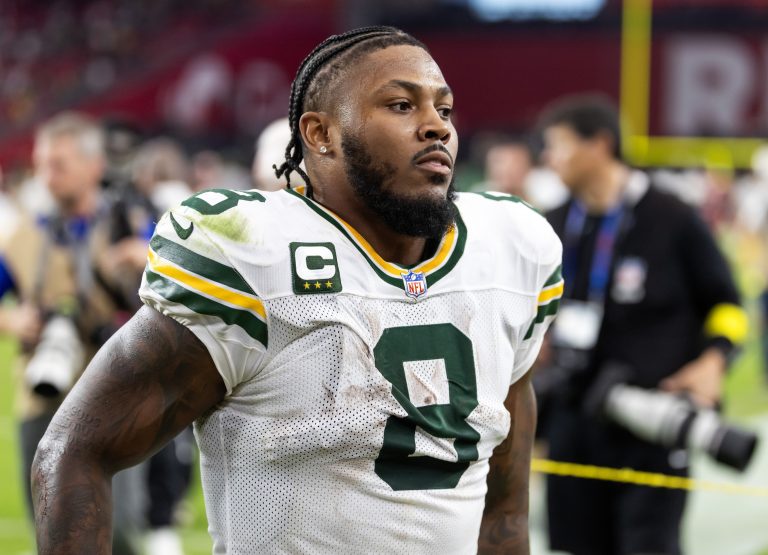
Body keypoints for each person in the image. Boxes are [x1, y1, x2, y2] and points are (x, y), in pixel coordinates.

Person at [32, 27, 563, 554]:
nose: (435, 128)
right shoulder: (253, 258)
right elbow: (75, 450)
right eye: (402, 105)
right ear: (320, 134)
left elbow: (506, 511)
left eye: (443, 110)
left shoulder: (508, 252)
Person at [537, 95, 747, 555]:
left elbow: (729, 304)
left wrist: (715, 360)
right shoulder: (549, 226)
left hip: (652, 422)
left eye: (559, 145)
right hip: (574, 420)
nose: (548, 158)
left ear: (599, 145)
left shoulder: (672, 217)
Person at [0, 112, 149, 554]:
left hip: (115, 395)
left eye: (58, 165)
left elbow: (190, 295)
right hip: (41, 395)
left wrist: (151, 260)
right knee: (52, 535)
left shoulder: (130, 226)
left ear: (94, 166)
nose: (46, 176)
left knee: (119, 531)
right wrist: (12, 321)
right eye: (41, 164)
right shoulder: (25, 236)